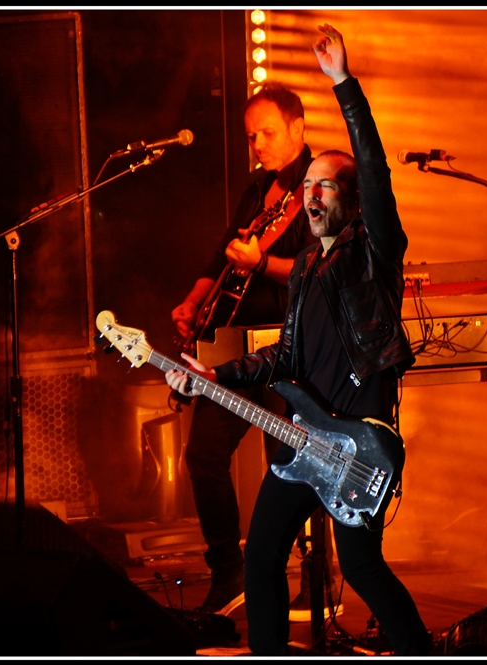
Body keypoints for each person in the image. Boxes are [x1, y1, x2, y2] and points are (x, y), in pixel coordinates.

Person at [166, 24, 432, 656]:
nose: (310, 195)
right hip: (304, 441)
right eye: (307, 185)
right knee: (261, 558)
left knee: (362, 566)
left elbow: (373, 167)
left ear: (353, 199)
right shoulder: (308, 266)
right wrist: (214, 376)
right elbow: (284, 357)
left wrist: (343, 83)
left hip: (357, 441)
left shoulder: (374, 253)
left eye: (324, 185)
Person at [171, 81, 318, 613]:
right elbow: (222, 253)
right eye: (252, 136)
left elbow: (321, 268)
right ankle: (228, 572)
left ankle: (317, 579)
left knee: (290, 465)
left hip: (288, 350)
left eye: (267, 133)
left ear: (298, 128)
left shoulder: (323, 184)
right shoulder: (259, 189)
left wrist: (263, 264)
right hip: (236, 348)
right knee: (204, 456)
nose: (257, 145)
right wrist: (193, 303)